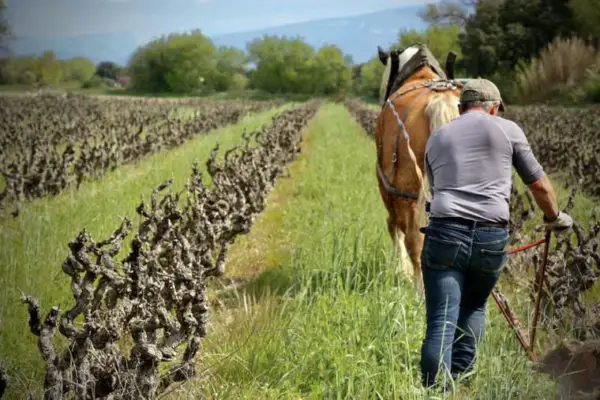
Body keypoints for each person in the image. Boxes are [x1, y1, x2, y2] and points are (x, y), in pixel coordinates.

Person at [419, 78, 573, 390]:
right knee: (474, 306)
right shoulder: (508, 129)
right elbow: (539, 184)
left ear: (461, 109)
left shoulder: (437, 137)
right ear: (493, 107)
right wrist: (555, 218)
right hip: (490, 239)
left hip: (445, 233)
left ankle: (437, 393)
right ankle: (461, 382)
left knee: (442, 319)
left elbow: (435, 193)